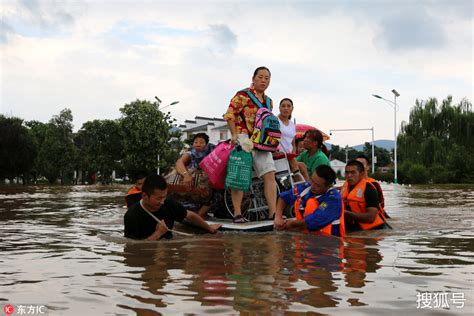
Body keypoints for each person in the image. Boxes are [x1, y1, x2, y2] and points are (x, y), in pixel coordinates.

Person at [223, 66, 278, 223]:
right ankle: (238, 214)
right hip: (243, 138)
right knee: (240, 176)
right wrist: (234, 134)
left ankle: (273, 213)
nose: (263, 80)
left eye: (267, 78)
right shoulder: (242, 95)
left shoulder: (269, 102)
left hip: (262, 141)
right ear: (253, 78)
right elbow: (229, 115)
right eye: (260, 77)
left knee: (269, 174)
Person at [124, 174, 221, 240]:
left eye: (164, 197)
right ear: (144, 196)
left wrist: (209, 228)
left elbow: (190, 215)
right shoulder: (132, 215)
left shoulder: (168, 204)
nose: (162, 202)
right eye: (159, 198)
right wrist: (158, 234)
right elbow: (133, 248)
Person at [274, 165, 345, 237]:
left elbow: (314, 220)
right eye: (312, 180)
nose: (312, 186)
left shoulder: (333, 200)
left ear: (328, 186)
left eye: (317, 185)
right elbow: (283, 197)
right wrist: (278, 216)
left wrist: (291, 224)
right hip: (305, 236)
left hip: (329, 242)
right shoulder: (307, 187)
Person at [166, 133, 215, 218]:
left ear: (206, 144)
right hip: (190, 182)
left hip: (206, 186)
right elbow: (179, 162)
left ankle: (200, 215)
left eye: (201, 142)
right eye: (195, 142)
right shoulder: (190, 153)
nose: (198, 144)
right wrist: (186, 175)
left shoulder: (212, 154)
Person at [341, 160, 387, 231]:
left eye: (353, 172)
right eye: (347, 172)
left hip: (374, 231)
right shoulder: (346, 187)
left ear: (361, 174)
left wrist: (345, 213)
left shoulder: (369, 189)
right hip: (354, 229)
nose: (349, 176)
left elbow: (371, 218)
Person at [277, 98, 304, 182]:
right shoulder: (275, 121)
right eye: (283, 106)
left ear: (292, 108)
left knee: (302, 166)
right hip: (278, 153)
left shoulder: (292, 124)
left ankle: (306, 187)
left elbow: (293, 143)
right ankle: (302, 186)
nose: (286, 108)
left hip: (289, 155)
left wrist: (293, 154)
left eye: (288, 106)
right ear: (279, 108)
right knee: (297, 167)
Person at [355, 154, 390, 218]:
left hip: (370, 217)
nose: (358, 166)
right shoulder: (350, 183)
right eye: (356, 164)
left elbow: (380, 205)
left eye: (361, 164)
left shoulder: (373, 185)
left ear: (367, 167)